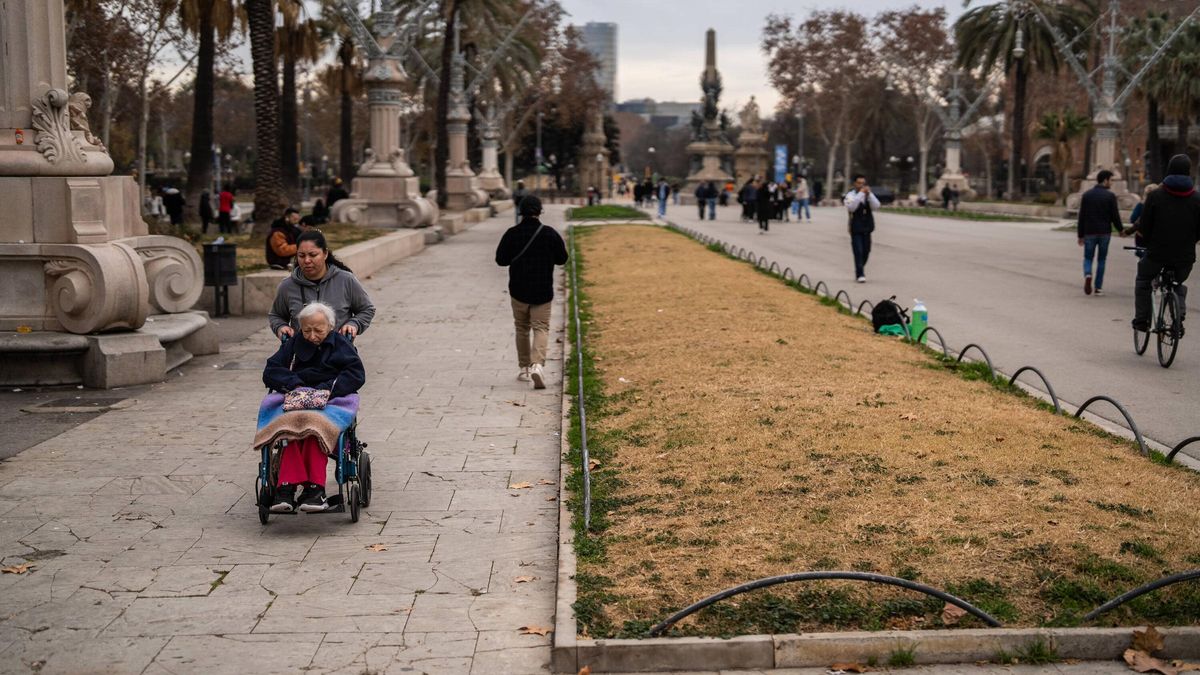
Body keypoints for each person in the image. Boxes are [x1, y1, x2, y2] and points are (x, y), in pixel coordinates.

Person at [262, 301, 366, 513]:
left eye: (318, 330)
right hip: (296, 397)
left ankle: (314, 489)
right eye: (307, 329)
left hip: (330, 399)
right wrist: (295, 385)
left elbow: (355, 374)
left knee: (314, 429)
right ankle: (285, 489)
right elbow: (271, 369)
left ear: (330, 326)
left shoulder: (339, 344)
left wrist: (327, 389)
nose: (311, 335)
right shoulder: (293, 344)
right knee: (290, 429)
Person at [494, 195, 569, 389]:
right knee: (541, 327)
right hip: (542, 289)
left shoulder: (512, 233)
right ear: (539, 211)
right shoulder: (549, 233)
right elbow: (562, 259)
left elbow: (501, 260)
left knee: (521, 328)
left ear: (521, 211)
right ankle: (537, 365)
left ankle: (524, 369)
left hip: (518, 289)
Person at [1132, 154, 1200, 335]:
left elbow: (1144, 226)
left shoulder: (1155, 196)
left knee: (1144, 280)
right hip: (1184, 257)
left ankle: (1141, 321)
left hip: (1157, 253)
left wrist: (1147, 244)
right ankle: (1178, 316)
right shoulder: (1197, 199)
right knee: (1177, 283)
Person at [269, 230, 376, 341]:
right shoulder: (287, 286)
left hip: (339, 353)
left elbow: (367, 309)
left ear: (325, 254)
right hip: (302, 354)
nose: (306, 260)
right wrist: (281, 327)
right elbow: (276, 315)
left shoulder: (346, 280)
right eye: (301, 255)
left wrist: (354, 324)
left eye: (313, 255)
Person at [1076, 169, 1124, 296]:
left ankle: (1088, 274)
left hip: (1089, 232)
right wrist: (1121, 230)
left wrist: (1080, 235)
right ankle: (1098, 288)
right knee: (1102, 260)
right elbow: (1115, 216)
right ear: (1105, 180)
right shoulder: (1110, 196)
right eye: (1111, 180)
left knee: (1088, 258)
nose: (1112, 183)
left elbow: (1082, 216)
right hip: (1104, 232)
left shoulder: (1087, 195)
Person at [845, 174, 880, 283]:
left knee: (866, 251)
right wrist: (860, 194)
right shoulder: (850, 195)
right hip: (856, 227)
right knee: (858, 251)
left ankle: (859, 267)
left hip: (867, 227)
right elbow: (852, 207)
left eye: (863, 183)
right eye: (859, 183)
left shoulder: (868, 195)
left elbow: (876, 206)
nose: (861, 185)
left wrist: (869, 195)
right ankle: (860, 273)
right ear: (855, 184)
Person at [1125, 183, 1158, 259]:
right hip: (1156, 237)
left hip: (1142, 236)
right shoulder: (1161, 206)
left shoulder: (1141, 205)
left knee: (1143, 259)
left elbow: (1133, 219)